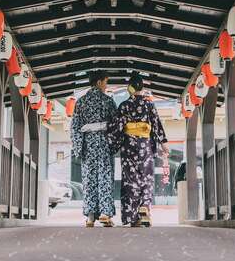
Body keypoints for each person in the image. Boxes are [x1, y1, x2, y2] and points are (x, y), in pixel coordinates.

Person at [108, 72, 170, 227]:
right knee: (146, 178)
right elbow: (156, 125)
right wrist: (163, 142)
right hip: (145, 145)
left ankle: (132, 216)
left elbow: (117, 128)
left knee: (130, 180)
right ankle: (145, 207)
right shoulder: (149, 105)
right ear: (142, 87)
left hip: (129, 146)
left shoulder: (124, 106)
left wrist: (113, 144)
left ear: (129, 88)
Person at [71, 70, 118, 227]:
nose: (106, 86)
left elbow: (75, 126)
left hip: (87, 145)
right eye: (105, 82)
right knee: (104, 177)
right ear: (99, 82)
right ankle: (105, 214)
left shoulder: (81, 102)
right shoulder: (108, 101)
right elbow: (116, 125)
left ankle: (90, 217)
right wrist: (114, 144)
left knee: (89, 178)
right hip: (104, 144)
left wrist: (78, 147)